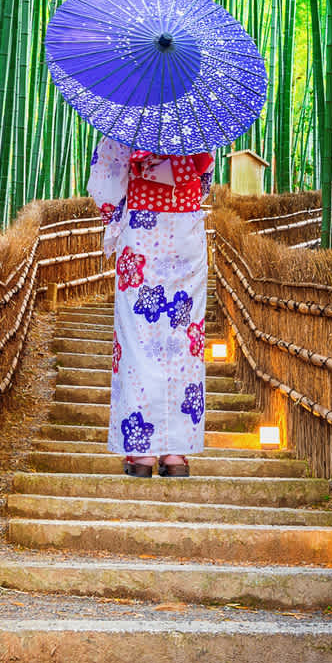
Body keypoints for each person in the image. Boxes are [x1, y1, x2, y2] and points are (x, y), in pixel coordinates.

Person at [87, 135, 212, 476]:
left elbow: (105, 182)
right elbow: (203, 184)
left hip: (142, 229)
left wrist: (115, 215)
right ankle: (175, 453)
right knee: (184, 338)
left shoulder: (130, 119)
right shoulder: (194, 119)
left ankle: (140, 454)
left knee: (139, 339)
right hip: (186, 229)